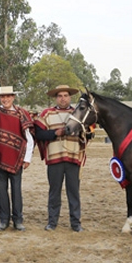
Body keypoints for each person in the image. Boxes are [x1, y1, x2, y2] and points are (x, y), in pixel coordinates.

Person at [34, 85, 86, 232]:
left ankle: (76, 223)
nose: (63, 98)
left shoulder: (78, 113)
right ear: (55, 98)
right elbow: (39, 134)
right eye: (60, 96)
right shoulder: (47, 114)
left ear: (70, 97)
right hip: (55, 158)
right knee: (54, 192)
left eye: (65, 95)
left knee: (74, 192)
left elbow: (88, 131)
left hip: (73, 157)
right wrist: (54, 133)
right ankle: (52, 222)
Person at [0, 86, 35, 232]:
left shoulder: (22, 114)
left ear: (13, 97)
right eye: (3, 97)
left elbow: (29, 138)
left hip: (17, 159)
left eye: (8, 96)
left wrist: (27, 158)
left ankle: (18, 220)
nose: (5, 99)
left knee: (16, 190)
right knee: (1, 191)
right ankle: (3, 220)